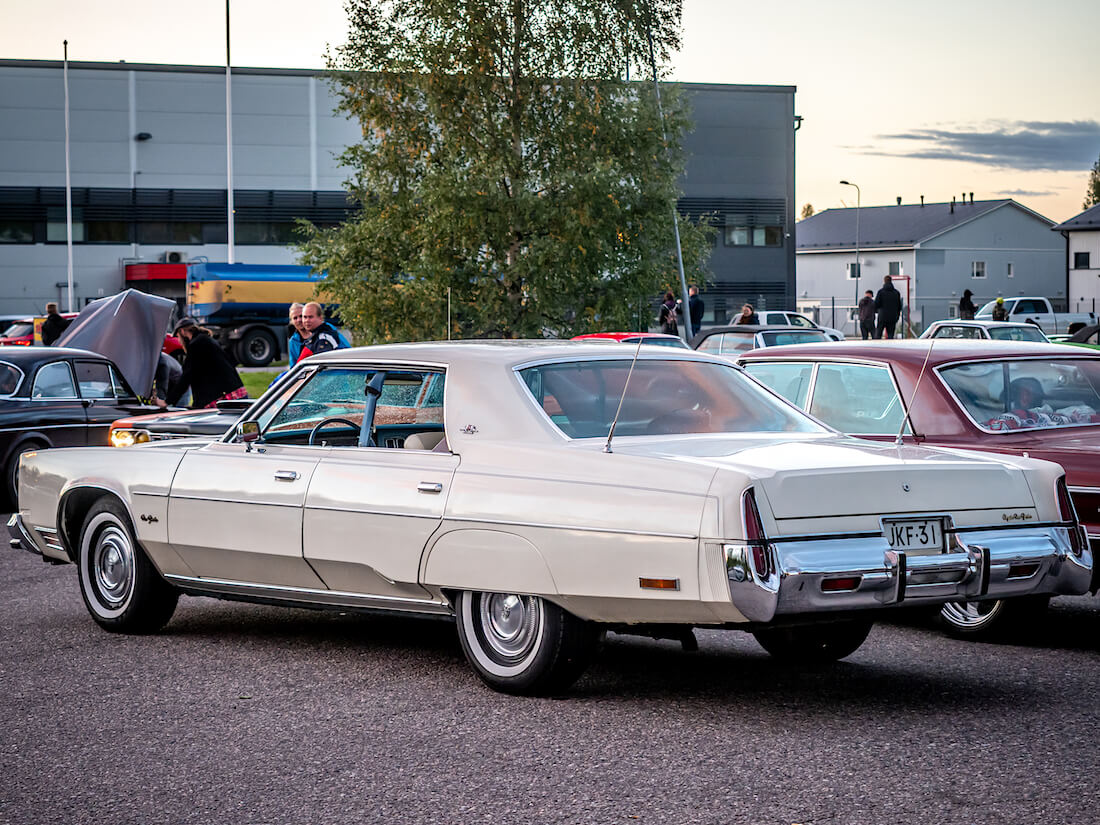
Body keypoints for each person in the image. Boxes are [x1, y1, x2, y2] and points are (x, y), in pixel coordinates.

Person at [166, 317, 246, 408]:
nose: (179, 341)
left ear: (182, 332)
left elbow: (187, 376)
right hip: (235, 392)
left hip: (223, 397)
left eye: (178, 336)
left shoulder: (196, 344)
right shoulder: (207, 340)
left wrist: (168, 402)